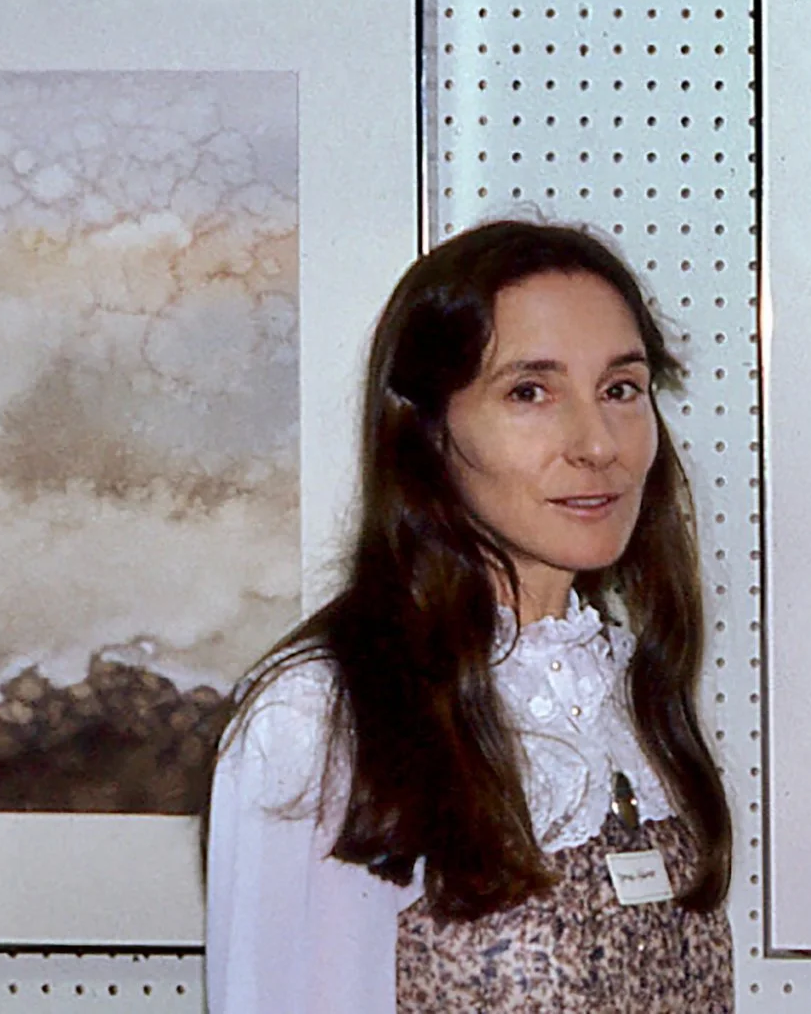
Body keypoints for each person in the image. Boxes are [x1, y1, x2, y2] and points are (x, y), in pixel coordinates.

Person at [205, 220, 734, 1012]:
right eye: (530, 392)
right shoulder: (323, 718)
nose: (597, 444)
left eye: (621, 389)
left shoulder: (629, 685)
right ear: (428, 430)